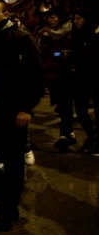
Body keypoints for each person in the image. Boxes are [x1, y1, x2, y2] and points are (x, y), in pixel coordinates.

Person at [0, 0, 45, 232]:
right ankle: (3, 189)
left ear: (5, 14)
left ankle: (8, 210)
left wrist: (26, 108)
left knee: (13, 160)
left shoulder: (21, 38)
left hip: (12, 110)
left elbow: (36, 76)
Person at [35, 8, 76, 151]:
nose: (50, 20)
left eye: (53, 17)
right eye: (49, 17)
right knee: (61, 106)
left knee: (65, 105)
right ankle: (69, 132)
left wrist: (64, 55)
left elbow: (72, 50)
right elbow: (40, 52)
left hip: (66, 74)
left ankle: (65, 134)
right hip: (51, 74)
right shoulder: (45, 33)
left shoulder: (69, 31)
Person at [69, 9, 99, 154]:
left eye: (79, 18)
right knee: (80, 108)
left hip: (95, 77)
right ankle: (91, 136)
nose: (76, 21)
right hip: (81, 78)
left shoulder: (94, 35)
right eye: (74, 18)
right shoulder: (76, 34)